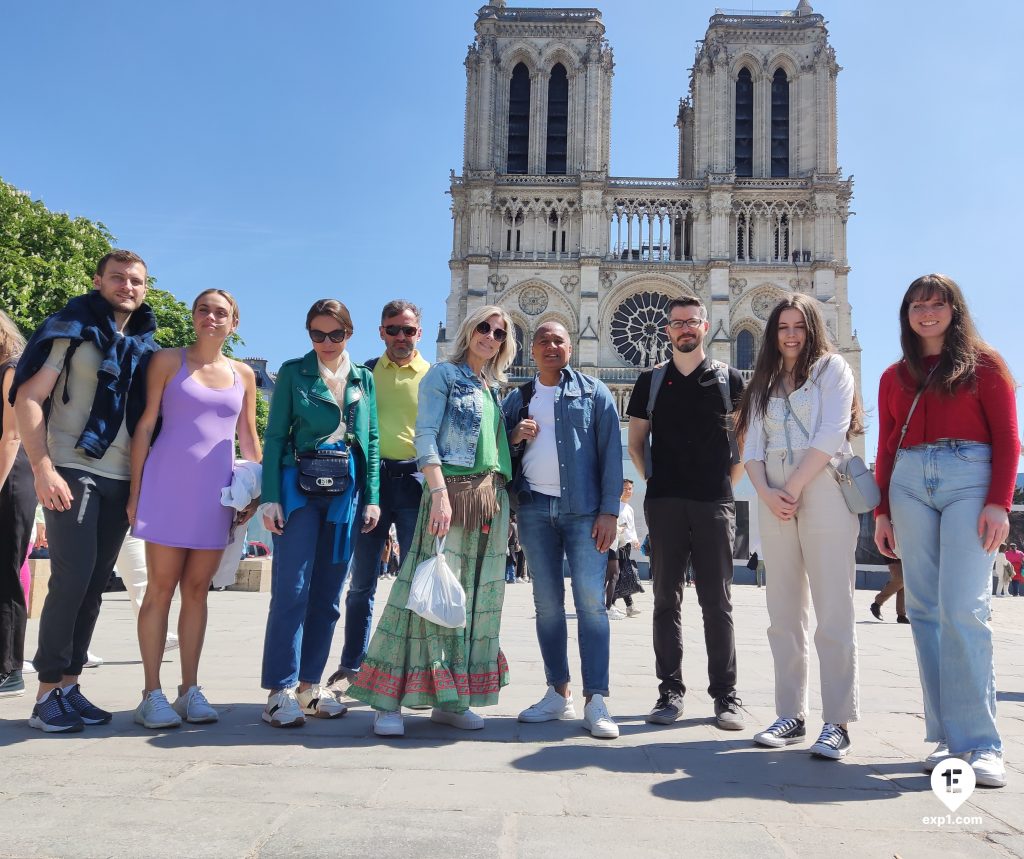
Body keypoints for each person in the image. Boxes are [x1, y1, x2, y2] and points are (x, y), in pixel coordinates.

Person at [874, 274, 1018, 788]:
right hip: (909, 483)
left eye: (937, 304)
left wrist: (999, 502)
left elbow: (1008, 438)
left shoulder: (985, 364)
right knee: (925, 611)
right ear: (907, 314)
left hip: (969, 478)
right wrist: (882, 511)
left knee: (963, 608)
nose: (927, 312)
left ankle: (983, 744)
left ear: (955, 310)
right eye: (917, 305)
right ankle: (948, 738)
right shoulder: (894, 375)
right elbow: (887, 444)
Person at [348, 305, 514, 737]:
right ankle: (388, 701)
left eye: (499, 333)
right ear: (468, 330)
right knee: (418, 596)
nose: (490, 336)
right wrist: (439, 494)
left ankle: (451, 700)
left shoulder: (491, 386)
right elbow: (425, 435)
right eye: (483, 327)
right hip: (450, 496)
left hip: (487, 500)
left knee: (468, 603)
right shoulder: (444, 374)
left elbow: (487, 446)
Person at [12, 250, 158, 732]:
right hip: (72, 468)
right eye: (117, 278)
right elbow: (29, 398)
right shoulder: (70, 328)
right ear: (98, 281)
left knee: (94, 584)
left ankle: (70, 686)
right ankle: (45, 696)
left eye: (136, 281)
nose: (127, 287)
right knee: (71, 579)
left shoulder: (143, 343)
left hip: (121, 476)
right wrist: (42, 467)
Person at [736, 294, 863, 759]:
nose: (791, 335)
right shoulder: (763, 381)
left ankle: (837, 722)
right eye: (783, 327)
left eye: (799, 326)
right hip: (774, 492)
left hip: (823, 484)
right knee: (783, 612)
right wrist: (767, 493)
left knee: (834, 609)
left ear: (813, 329)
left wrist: (791, 485)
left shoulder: (832, 369)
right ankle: (790, 714)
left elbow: (832, 431)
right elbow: (751, 447)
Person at [128, 289, 261, 728]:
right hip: (166, 486)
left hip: (215, 493)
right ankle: (151, 693)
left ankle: (189, 690)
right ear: (193, 316)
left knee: (199, 590)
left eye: (221, 312)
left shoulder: (243, 374)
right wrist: (135, 491)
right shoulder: (167, 361)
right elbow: (146, 424)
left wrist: (256, 492)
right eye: (204, 309)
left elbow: (248, 436)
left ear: (234, 323)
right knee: (160, 589)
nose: (211, 317)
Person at [258, 299, 381, 728]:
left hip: (345, 490)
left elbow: (372, 440)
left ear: (350, 333)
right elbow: (275, 436)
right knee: (291, 589)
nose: (326, 342)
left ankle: (309, 686)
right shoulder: (294, 372)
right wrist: (269, 496)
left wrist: (372, 497)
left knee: (329, 595)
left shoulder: (363, 377)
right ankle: (279, 690)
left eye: (336, 334)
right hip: (299, 487)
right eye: (317, 334)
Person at [626, 296, 746, 731]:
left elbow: (741, 444)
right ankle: (670, 692)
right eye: (677, 323)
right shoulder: (650, 380)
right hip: (665, 503)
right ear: (667, 330)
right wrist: (656, 483)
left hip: (714, 502)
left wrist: (723, 487)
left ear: (705, 326)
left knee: (718, 602)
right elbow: (636, 443)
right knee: (665, 600)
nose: (684, 329)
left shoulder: (729, 379)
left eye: (692, 322)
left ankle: (725, 696)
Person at [503, 321, 622, 739]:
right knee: (547, 605)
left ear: (570, 348)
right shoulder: (517, 398)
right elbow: (496, 452)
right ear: (531, 349)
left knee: (591, 605)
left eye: (558, 341)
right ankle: (558, 693)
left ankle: (596, 699)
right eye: (543, 341)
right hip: (534, 509)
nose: (551, 347)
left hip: (585, 512)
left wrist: (610, 511)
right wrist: (513, 436)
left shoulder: (595, 392)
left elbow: (611, 454)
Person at [327, 300, 429, 691]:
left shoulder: (434, 376)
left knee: (415, 582)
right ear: (381, 332)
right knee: (361, 584)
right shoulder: (363, 373)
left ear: (419, 333)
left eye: (408, 330)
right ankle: (353, 664)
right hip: (371, 484)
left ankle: (408, 668)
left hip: (415, 483)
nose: (401, 337)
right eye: (393, 329)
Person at [0, 310, 34, 698]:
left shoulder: (11, 368)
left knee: (7, 571)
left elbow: (12, 436)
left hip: (11, 478)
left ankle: (10, 669)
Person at [608, 479, 643, 619]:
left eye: (630, 488)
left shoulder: (630, 509)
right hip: (616, 544)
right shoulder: (615, 505)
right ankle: (618, 605)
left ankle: (624, 605)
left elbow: (631, 528)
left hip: (626, 545)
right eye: (625, 488)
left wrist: (635, 540)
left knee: (622, 574)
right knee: (616, 574)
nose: (628, 491)